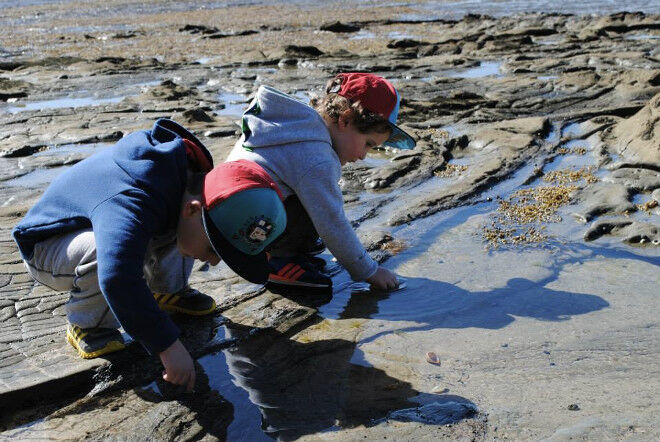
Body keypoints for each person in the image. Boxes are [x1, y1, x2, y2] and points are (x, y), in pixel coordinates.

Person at [12, 118, 286, 392]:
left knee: (180, 232)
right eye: (215, 249)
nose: (214, 261)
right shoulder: (132, 198)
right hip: (48, 246)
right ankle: (87, 323)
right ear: (193, 209)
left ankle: (168, 291)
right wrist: (167, 345)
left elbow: (179, 228)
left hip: (109, 227)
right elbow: (117, 275)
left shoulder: (188, 185)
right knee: (107, 254)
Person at [226, 72, 416, 292]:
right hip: (246, 231)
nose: (364, 155)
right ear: (345, 120)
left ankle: (285, 252)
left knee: (309, 197)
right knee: (320, 204)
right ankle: (277, 261)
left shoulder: (291, 126)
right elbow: (332, 223)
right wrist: (369, 270)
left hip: (229, 216)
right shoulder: (318, 158)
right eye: (368, 144)